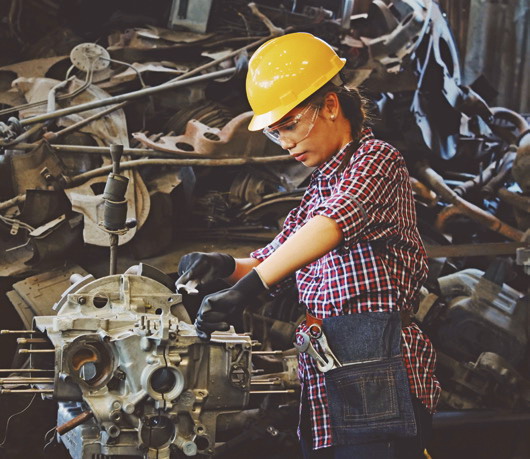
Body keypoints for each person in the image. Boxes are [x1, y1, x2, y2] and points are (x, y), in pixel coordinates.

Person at [176, 32, 441, 458]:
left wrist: (248, 289)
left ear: (331, 106)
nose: (286, 144)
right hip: (328, 364)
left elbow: (332, 225)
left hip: (377, 360)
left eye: (291, 125)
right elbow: (275, 257)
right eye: (276, 133)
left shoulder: (377, 160)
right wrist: (225, 266)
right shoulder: (319, 186)